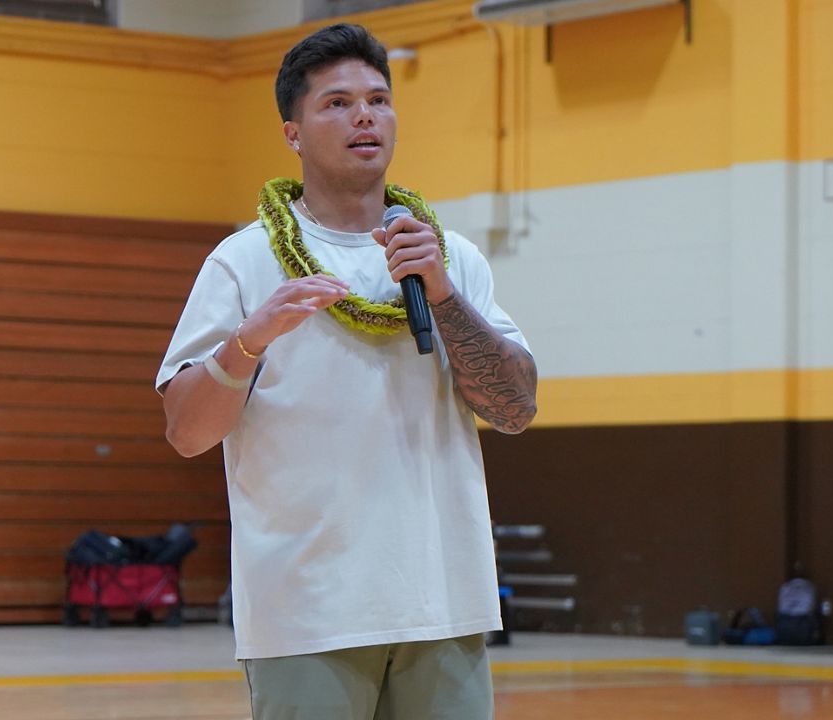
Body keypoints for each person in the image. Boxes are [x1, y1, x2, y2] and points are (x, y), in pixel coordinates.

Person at [156, 23, 537, 719]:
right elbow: (186, 431)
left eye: (378, 100)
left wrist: (444, 296)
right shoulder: (243, 261)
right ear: (293, 133)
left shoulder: (448, 257)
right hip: (306, 614)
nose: (365, 116)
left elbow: (514, 409)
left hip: (444, 605)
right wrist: (249, 341)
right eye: (337, 103)